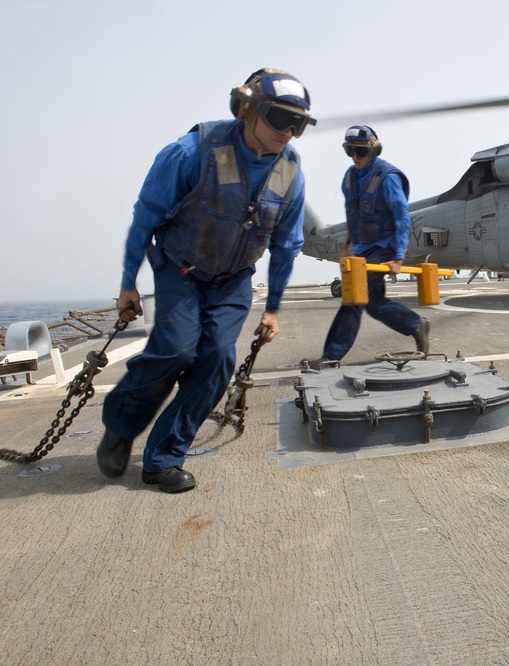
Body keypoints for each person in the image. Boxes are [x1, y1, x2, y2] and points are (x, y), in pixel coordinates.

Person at [96, 68, 314, 493]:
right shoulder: (191, 152)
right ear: (246, 109)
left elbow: (287, 246)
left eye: (298, 125)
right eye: (278, 118)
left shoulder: (289, 174)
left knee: (216, 359)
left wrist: (272, 310)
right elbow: (145, 219)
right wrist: (128, 285)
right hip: (181, 269)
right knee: (175, 351)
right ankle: (121, 428)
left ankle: (163, 458)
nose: (287, 132)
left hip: (233, 279)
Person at [312, 125, 429, 366]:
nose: (355, 157)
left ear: (373, 151)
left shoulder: (387, 177)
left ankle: (332, 356)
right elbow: (351, 213)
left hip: (384, 247)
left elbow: (401, 217)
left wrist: (398, 256)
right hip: (363, 250)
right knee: (374, 305)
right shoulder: (350, 177)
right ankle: (415, 323)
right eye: (350, 151)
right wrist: (347, 246)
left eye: (360, 152)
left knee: (354, 297)